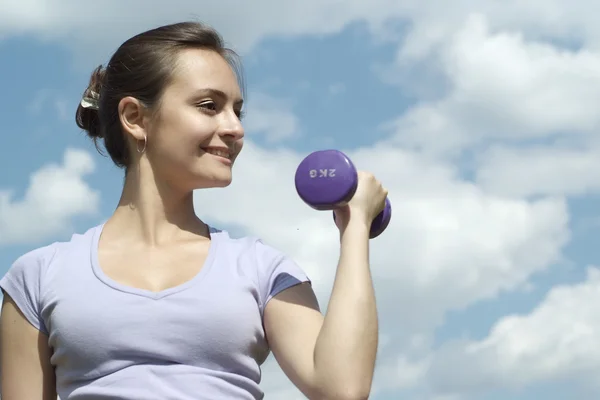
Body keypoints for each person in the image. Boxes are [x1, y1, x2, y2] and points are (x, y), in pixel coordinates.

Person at [0, 21, 387, 400]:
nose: (235, 127)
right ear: (135, 117)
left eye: (237, 110)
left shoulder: (261, 269)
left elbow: (341, 389)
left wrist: (354, 227)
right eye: (209, 106)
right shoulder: (38, 276)